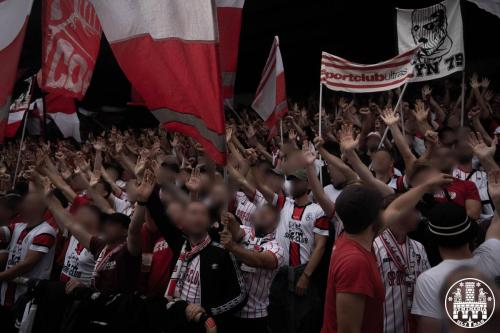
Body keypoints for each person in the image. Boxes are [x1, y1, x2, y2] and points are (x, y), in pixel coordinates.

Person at [220, 208, 284, 333]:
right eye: (262, 211)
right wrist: (231, 219)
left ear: (275, 223)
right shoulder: (246, 231)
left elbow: (258, 261)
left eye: (269, 213)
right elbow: (237, 231)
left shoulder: (277, 248)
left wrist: (232, 246)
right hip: (230, 308)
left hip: (255, 315)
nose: (263, 213)